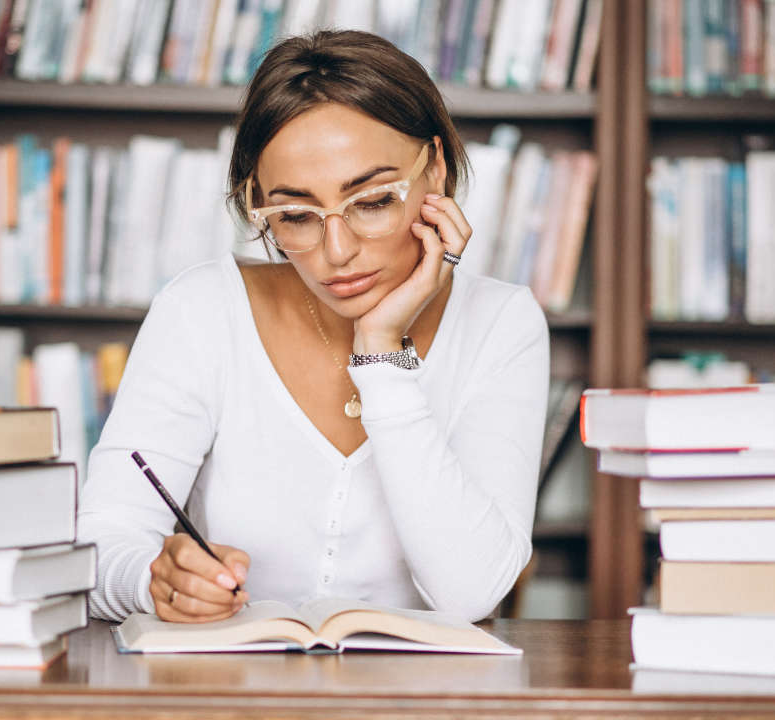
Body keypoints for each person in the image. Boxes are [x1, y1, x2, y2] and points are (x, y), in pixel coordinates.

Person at [78, 29, 549, 625]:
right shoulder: (201, 310)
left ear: (435, 171)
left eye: (374, 200)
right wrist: (154, 584)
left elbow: (472, 593)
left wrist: (380, 354)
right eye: (297, 215)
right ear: (257, 203)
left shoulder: (502, 324)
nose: (337, 250)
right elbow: (100, 545)